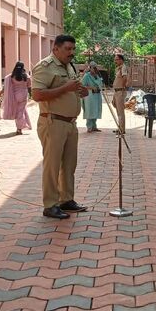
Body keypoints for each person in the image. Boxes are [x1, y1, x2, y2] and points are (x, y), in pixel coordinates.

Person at [31, 35, 89, 219]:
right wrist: (65, 88)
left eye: (73, 49)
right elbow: (37, 95)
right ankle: (50, 205)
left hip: (71, 123)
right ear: (55, 49)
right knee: (52, 165)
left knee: (69, 164)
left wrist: (83, 91)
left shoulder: (70, 66)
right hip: (53, 122)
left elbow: (74, 90)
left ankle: (66, 200)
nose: (71, 52)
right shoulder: (45, 67)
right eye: (67, 49)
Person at [1, 61, 32, 135]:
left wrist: (1, 93)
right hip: (24, 95)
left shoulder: (11, 76)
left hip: (15, 96)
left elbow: (6, 86)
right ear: (23, 67)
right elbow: (29, 87)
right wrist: (31, 95)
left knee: (18, 111)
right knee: (20, 112)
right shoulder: (26, 76)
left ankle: (20, 127)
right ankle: (19, 129)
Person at [80, 62, 104, 133]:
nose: (95, 69)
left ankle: (94, 126)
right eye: (93, 67)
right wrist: (91, 87)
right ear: (90, 68)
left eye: (96, 67)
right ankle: (89, 127)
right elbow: (82, 85)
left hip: (97, 95)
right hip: (89, 96)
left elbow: (100, 84)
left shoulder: (97, 75)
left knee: (96, 110)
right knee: (89, 110)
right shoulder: (86, 76)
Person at [112, 54, 128, 133]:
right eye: (115, 59)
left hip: (120, 91)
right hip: (116, 91)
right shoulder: (118, 68)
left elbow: (125, 78)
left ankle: (122, 129)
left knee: (120, 111)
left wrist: (123, 86)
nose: (115, 61)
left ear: (121, 60)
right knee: (118, 110)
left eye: (117, 59)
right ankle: (119, 127)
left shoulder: (123, 67)